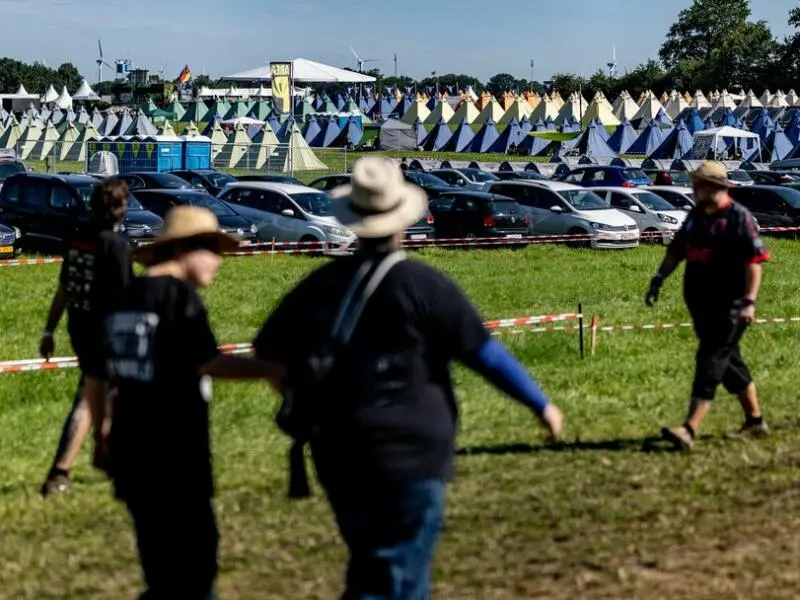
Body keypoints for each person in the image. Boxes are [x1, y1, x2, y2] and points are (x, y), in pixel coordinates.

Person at [253, 157, 564, 600]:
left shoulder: (319, 286)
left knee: (375, 562)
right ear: (403, 221)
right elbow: (485, 355)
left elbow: (269, 355)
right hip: (415, 452)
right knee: (398, 572)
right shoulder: (425, 285)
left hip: (340, 451)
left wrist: (307, 395)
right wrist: (540, 404)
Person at [99, 206, 282, 599]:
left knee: (160, 572)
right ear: (187, 249)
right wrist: (273, 370)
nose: (219, 262)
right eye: (213, 250)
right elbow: (207, 361)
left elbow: (101, 379)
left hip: (132, 455)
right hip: (175, 455)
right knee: (195, 572)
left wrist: (102, 436)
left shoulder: (125, 297)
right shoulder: (179, 297)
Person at [645, 161, 770, 451]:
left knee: (710, 360)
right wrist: (658, 278)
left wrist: (749, 302)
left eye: (698, 185)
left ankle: (689, 429)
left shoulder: (739, 218)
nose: (693, 189)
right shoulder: (696, 216)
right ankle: (755, 421)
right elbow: (676, 251)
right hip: (701, 305)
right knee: (729, 362)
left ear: (714, 187)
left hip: (731, 305)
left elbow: (754, 263)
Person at [39, 177, 133, 496]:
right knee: (92, 398)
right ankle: (60, 471)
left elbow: (64, 288)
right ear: (116, 208)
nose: (127, 209)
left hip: (78, 326)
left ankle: (104, 456)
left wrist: (49, 329)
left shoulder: (80, 239)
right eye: (124, 203)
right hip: (107, 331)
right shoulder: (116, 245)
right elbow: (126, 296)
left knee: (102, 393)